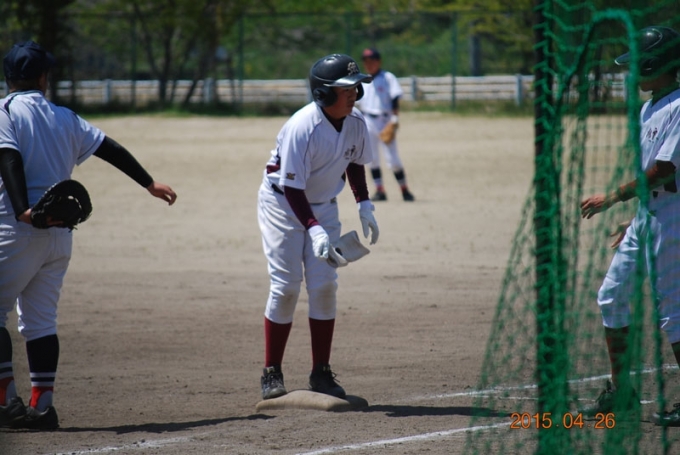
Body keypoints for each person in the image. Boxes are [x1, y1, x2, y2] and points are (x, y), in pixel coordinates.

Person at [0, 41, 177, 430]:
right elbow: (109, 148)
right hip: (59, 235)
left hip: (15, 230)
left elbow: (8, 157)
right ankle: (43, 407)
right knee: (41, 322)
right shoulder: (65, 116)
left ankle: (7, 403)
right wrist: (149, 183)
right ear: (43, 77)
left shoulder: (5, 111)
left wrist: (23, 210)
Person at [257, 53, 379, 400]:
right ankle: (271, 371)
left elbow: (354, 162)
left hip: (323, 205)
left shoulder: (355, 122)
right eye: (345, 88)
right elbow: (293, 188)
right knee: (286, 287)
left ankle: (321, 373)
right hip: (282, 205)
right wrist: (313, 228)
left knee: (324, 286)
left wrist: (364, 203)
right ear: (323, 93)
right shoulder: (303, 127)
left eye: (355, 87)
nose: (353, 93)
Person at [580, 26, 680, 425]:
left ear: (658, 64)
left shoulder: (679, 105)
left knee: (672, 308)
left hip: (673, 218)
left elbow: (664, 169)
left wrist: (612, 198)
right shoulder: (648, 108)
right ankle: (621, 392)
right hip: (649, 216)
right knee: (612, 295)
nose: (633, 71)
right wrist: (634, 217)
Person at [357, 47, 415, 202]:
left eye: (372, 61)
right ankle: (380, 190)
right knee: (372, 159)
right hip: (367, 120)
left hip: (385, 120)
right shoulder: (362, 80)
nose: (369, 64)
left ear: (379, 61)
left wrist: (395, 118)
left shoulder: (388, 77)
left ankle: (404, 190)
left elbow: (395, 97)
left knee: (393, 160)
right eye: (366, 61)